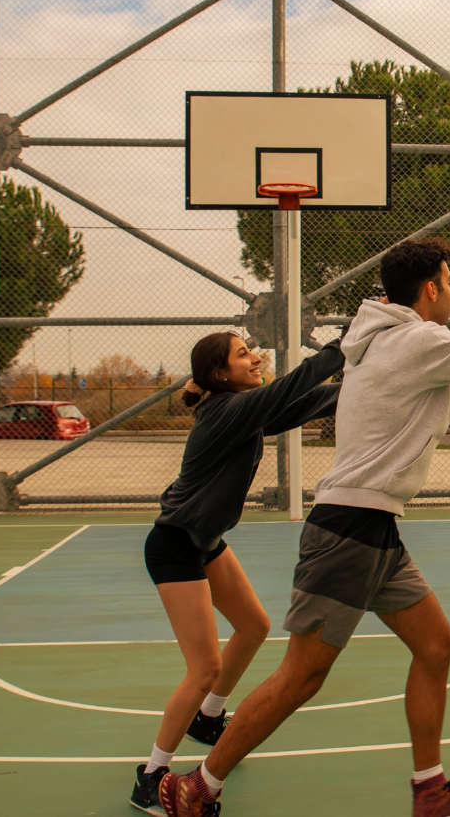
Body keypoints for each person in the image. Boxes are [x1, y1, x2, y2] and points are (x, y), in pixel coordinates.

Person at [159, 237, 450, 817]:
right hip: (349, 530)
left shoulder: (394, 336)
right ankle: (199, 786)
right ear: (430, 290)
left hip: (373, 528)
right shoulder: (412, 342)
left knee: (435, 646)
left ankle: (430, 790)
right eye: (449, 284)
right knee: (302, 676)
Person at [130, 332, 344, 815]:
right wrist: (343, 346)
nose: (255, 357)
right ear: (220, 374)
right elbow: (293, 388)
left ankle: (207, 721)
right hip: (176, 547)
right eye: (243, 354)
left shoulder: (244, 410)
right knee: (204, 667)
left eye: (252, 351)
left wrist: (373, 383)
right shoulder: (226, 411)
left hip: (204, 542)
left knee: (254, 627)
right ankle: (151, 776)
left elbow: (308, 403)